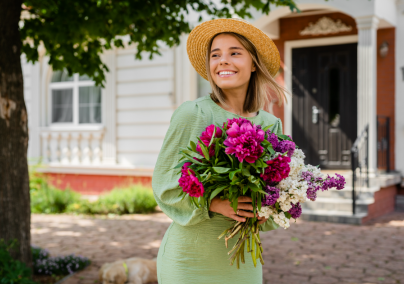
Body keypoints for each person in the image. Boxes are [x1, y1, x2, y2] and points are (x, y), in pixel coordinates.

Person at [152, 18, 287, 284]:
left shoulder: (271, 125)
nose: (222, 61)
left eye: (234, 53)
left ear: (254, 63)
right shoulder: (194, 113)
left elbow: (279, 194)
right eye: (215, 55)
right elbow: (164, 183)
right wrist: (214, 203)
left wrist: (269, 208)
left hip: (244, 262)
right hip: (189, 261)